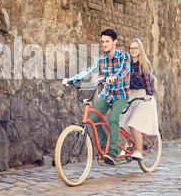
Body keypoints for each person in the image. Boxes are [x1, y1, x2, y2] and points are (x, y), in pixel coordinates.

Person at [63, 29, 131, 165]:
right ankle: (105, 144)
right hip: (107, 94)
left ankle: (112, 151)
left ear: (114, 42)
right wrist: (73, 79)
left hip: (121, 95)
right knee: (91, 119)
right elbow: (89, 71)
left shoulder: (124, 56)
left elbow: (123, 70)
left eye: (107, 41)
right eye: (102, 42)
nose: (104, 44)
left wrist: (114, 77)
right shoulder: (101, 60)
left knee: (113, 119)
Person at [119, 38, 159, 161]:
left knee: (133, 124)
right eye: (131, 48)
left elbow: (148, 80)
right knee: (120, 124)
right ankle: (131, 143)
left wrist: (149, 93)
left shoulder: (144, 63)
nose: (133, 50)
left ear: (140, 49)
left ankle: (139, 151)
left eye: (136, 48)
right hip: (131, 96)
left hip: (143, 97)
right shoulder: (126, 64)